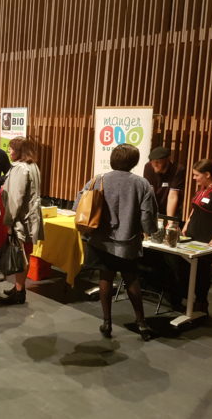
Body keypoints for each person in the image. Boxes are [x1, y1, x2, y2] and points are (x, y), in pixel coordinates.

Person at [74, 143, 158, 341]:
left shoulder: (98, 179)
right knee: (131, 279)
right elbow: (147, 217)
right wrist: (149, 231)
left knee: (105, 277)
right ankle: (141, 323)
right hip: (127, 242)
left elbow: (78, 205)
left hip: (100, 241)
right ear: (134, 162)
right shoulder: (142, 184)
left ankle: (107, 323)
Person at [0, 137, 44, 304]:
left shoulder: (20, 168)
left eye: (11, 149)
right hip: (30, 218)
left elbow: (15, 199)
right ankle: (19, 287)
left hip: (20, 220)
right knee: (24, 254)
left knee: (20, 255)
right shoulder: (33, 166)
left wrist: (9, 222)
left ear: (19, 151)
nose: (9, 152)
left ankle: (19, 292)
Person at [181, 159, 212, 313]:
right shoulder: (203, 188)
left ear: (207, 174)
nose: (194, 178)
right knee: (186, 268)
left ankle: (201, 304)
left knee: (201, 271)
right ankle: (188, 300)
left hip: (209, 240)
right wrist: (187, 224)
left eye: (196, 175)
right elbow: (195, 208)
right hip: (193, 237)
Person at [143, 146, 186, 218]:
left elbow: (173, 196)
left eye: (158, 162)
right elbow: (150, 193)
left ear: (167, 160)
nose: (155, 165)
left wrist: (169, 220)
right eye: (153, 161)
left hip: (171, 208)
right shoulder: (148, 166)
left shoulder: (177, 169)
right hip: (154, 208)